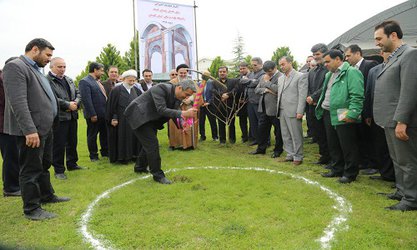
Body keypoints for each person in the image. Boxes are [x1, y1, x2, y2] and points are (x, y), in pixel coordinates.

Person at [2, 38, 70, 220]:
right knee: (30, 169)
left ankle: (46, 195)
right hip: (32, 131)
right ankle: (32, 209)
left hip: (45, 128)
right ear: (34, 49)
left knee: (44, 165)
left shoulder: (35, 69)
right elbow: (18, 102)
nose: (49, 59)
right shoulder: (15, 67)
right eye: (47, 55)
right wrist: (29, 130)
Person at [373, 20, 417, 211]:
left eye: (379, 38)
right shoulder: (393, 57)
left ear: (393, 35)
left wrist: (402, 120)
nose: (377, 43)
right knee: (397, 159)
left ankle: (412, 199)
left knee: (407, 162)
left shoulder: (409, 54)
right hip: (388, 120)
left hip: (400, 121)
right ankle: (401, 191)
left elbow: (409, 91)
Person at [124, 80, 197, 184]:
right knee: (152, 145)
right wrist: (184, 113)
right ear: (180, 88)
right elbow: (161, 109)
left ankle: (140, 167)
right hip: (139, 115)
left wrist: (181, 125)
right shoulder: (161, 88)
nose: (186, 97)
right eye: (187, 94)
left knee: (148, 144)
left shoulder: (177, 97)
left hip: (150, 119)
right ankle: (158, 175)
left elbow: (173, 114)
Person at [316, 49, 364, 184]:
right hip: (328, 113)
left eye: (327, 61)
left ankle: (350, 173)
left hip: (343, 112)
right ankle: (336, 169)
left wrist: (353, 113)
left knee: (348, 145)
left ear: (338, 59)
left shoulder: (352, 72)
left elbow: (357, 95)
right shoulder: (328, 75)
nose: (325, 64)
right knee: (333, 144)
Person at [47, 57, 83, 180]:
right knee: (59, 144)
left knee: (72, 141)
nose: (62, 69)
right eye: (59, 67)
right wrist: (67, 105)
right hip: (60, 118)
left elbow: (78, 93)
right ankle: (59, 170)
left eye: (64, 67)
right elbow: (51, 98)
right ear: (51, 67)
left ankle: (72, 164)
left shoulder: (69, 79)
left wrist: (76, 103)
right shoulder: (48, 81)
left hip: (72, 116)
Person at [345, 44, 379, 174]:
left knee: (370, 137)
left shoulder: (370, 65)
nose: (346, 58)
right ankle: (364, 162)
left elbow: (371, 88)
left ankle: (374, 164)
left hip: (367, 108)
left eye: (348, 55)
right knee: (360, 137)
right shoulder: (351, 69)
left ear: (357, 53)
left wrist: (368, 111)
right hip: (356, 109)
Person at [363, 50, 395, 182]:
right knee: (380, 145)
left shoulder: (398, 67)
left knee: (394, 148)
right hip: (376, 114)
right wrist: (368, 114)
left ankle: (396, 177)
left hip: (392, 115)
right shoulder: (374, 71)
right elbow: (369, 92)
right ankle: (385, 173)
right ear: (381, 54)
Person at [106, 69, 142, 164]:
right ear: (124, 79)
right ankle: (122, 158)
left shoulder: (137, 90)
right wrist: (114, 118)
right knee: (121, 138)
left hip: (133, 120)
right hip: (121, 120)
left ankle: (134, 155)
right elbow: (111, 106)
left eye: (133, 80)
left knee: (134, 138)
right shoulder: (116, 90)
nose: (132, 82)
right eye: (130, 80)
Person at [277, 57, 308, 165]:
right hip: (281, 110)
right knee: (285, 134)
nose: (281, 67)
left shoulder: (300, 76)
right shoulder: (280, 78)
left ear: (290, 63)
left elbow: (302, 95)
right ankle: (290, 154)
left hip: (294, 110)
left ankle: (298, 156)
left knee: (296, 135)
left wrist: (300, 111)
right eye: (280, 65)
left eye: (283, 64)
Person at [249, 61, 283, 158]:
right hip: (263, 108)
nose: (268, 74)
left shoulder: (281, 76)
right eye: (267, 72)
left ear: (275, 68)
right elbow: (257, 89)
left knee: (278, 132)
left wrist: (267, 82)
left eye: (270, 72)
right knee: (262, 130)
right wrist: (266, 90)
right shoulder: (264, 76)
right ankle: (261, 149)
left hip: (275, 109)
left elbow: (278, 90)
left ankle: (277, 151)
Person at [306, 43, 330, 165]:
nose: (315, 57)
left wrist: (314, 97)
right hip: (313, 107)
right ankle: (323, 157)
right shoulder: (312, 71)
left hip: (325, 107)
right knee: (319, 133)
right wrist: (310, 97)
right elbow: (309, 87)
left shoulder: (329, 69)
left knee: (328, 135)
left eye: (318, 54)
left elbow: (326, 87)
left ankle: (331, 159)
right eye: (314, 54)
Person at [79, 62, 108, 161]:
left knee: (104, 134)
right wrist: (92, 114)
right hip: (94, 115)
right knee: (92, 135)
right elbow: (86, 100)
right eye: (101, 70)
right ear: (95, 70)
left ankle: (105, 152)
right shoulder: (85, 81)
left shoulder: (97, 81)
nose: (103, 73)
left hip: (103, 114)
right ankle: (93, 156)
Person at [0, 58, 20, 197]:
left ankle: (15, 183)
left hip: (9, 124)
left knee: (14, 155)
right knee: (10, 155)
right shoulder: (3, 78)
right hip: (4, 125)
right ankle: (11, 188)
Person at [240, 57, 265, 146]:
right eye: (252, 65)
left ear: (261, 64)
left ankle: (265, 140)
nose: (253, 67)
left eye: (255, 65)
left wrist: (249, 82)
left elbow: (257, 83)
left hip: (259, 101)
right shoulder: (251, 74)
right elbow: (242, 81)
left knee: (261, 122)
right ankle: (256, 139)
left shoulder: (263, 73)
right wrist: (251, 81)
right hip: (250, 101)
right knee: (253, 122)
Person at [217, 66, 240, 144]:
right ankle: (222, 140)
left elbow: (236, 89)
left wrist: (228, 95)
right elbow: (213, 90)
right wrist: (221, 95)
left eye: (224, 71)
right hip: (220, 106)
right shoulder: (214, 82)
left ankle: (232, 140)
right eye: (220, 72)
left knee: (231, 123)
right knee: (221, 123)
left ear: (227, 72)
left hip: (231, 105)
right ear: (218, 73)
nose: (222, 73)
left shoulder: (233, 81)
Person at [198, 71, 218, 141]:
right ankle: (202, 136)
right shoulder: (199, 84)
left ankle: (215, 136)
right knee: (201, 122)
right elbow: (198, 94)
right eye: (203, 75)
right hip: (201, 106)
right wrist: (201, 102)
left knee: (212, 121)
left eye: (206, 75)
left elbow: (214, 94)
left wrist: (209, 102)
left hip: (210, 105)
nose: (204, 76)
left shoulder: (212, 83)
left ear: (209, 76)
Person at [237, 62, 250, 142]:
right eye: (240, 69)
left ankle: (252, 137)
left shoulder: (252, 76)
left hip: (250, 102)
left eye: (243, 68)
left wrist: (247, 99)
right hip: (241, 103)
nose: (242, 70)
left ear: (247, 68)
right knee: (242, 120)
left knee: (252, 121)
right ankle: (244, 136)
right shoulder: (238, 78)